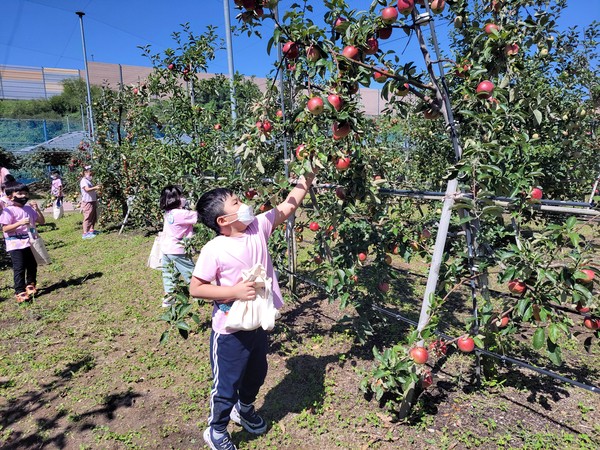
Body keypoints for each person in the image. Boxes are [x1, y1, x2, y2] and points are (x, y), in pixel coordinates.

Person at [190, 171, 316, 450]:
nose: (244, 204)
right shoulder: (215, 249)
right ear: (223, 220)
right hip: (230, 331)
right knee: (225, 386)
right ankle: (217, 430)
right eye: (236, 203)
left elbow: (288, 205)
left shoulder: (258, 226)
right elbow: (196, 288)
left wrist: (306, 179)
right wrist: (233, 292)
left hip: (258, 321)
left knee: (257, 373)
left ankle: (243, 409)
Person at [0, 181, 45, 303]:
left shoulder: (29, 209)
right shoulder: (8, 211)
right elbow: (5, 228)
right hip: (15, 244)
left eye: (26, 193)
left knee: (32, 264)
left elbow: (41, 222)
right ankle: (19, 291)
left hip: (30, 241)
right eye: (19, 193)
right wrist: (19, 223)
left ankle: (30, 284)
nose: (24, 196)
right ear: (10, 196)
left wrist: (37, 210)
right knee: (19, 267)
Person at [159, 185, 198, 308]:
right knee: (191, 273)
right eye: (181, 196)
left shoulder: (168, 212)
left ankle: (168, 298)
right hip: (178, 249)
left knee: (169, 274)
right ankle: (202, 294)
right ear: (175, 199)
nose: (183, 198)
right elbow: (199, 216)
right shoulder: (182, 214)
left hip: (166, 248)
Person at [79, 166, 101, 239]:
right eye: (90, 174)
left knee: (93, 216)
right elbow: (87, 189)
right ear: (85, 172)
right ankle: (85, 233)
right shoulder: (83, 181)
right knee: (87, 217)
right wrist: (95, 187)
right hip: (87, 201)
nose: (91, 175)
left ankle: (91, 230)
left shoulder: (88, 180)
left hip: (92, 200)